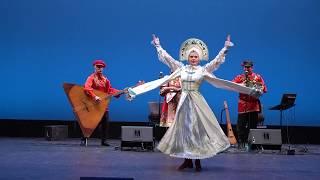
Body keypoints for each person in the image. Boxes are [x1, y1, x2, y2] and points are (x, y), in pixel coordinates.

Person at [127, 35, 261, 172]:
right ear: (187, 57)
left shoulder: (203, 70)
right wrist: (158, 46)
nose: (193, 58)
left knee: (196, 131)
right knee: (185, 131)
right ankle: (187, 160)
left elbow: (215, 63)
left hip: (197, 102)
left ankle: (197, 161)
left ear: (199, 58)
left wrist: (225, 48)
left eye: (195, 56)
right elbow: (169, 60)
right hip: (184, 102)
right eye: (191, 56)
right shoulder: (181, 68)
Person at [82, 59, 122, 146]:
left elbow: (110, 90)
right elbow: (87, 88)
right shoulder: (91, 78)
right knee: (91, 122)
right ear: (94, 67)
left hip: (103, 105)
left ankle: (104, 141)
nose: (100, 69)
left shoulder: (105, 80)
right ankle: (84, 138)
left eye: (101, 67)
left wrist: (121, 92)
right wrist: (95, 96)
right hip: (93, 104)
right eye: (98, 67)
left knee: (105, 123)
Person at [232, 60, 267, 150]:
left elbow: (264, 89)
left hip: (253, 106)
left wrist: (258, 88)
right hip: (242, 105)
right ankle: (241, 143)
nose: (246, 69)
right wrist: (241, 84)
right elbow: (232, 85)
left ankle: (252, 144)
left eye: (248, 67)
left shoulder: (257, 77)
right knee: (240, 126)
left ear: (252, 67)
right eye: (245, 67)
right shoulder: (239, 77)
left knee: (252, 127)